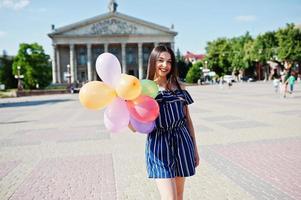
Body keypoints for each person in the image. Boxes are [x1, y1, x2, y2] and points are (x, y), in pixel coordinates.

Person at [129, 45, 199, 200]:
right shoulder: (144, 89)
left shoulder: (179, 86)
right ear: (153, 61)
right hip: (159, 145)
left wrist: (195, 148)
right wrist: (124, 109)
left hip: (182, 142)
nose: (165, 65)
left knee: (179, 196)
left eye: (169, 61)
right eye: (160, 60)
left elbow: (188, 121)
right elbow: (134, 127)